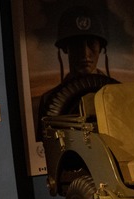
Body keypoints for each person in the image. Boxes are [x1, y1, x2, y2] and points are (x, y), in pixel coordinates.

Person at [36, 6, 113, 137]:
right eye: (77, 44)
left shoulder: (117, 92)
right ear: (66, 49)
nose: (85, 53)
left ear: (100, 48)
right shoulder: (49, 100)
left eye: (92, 43)